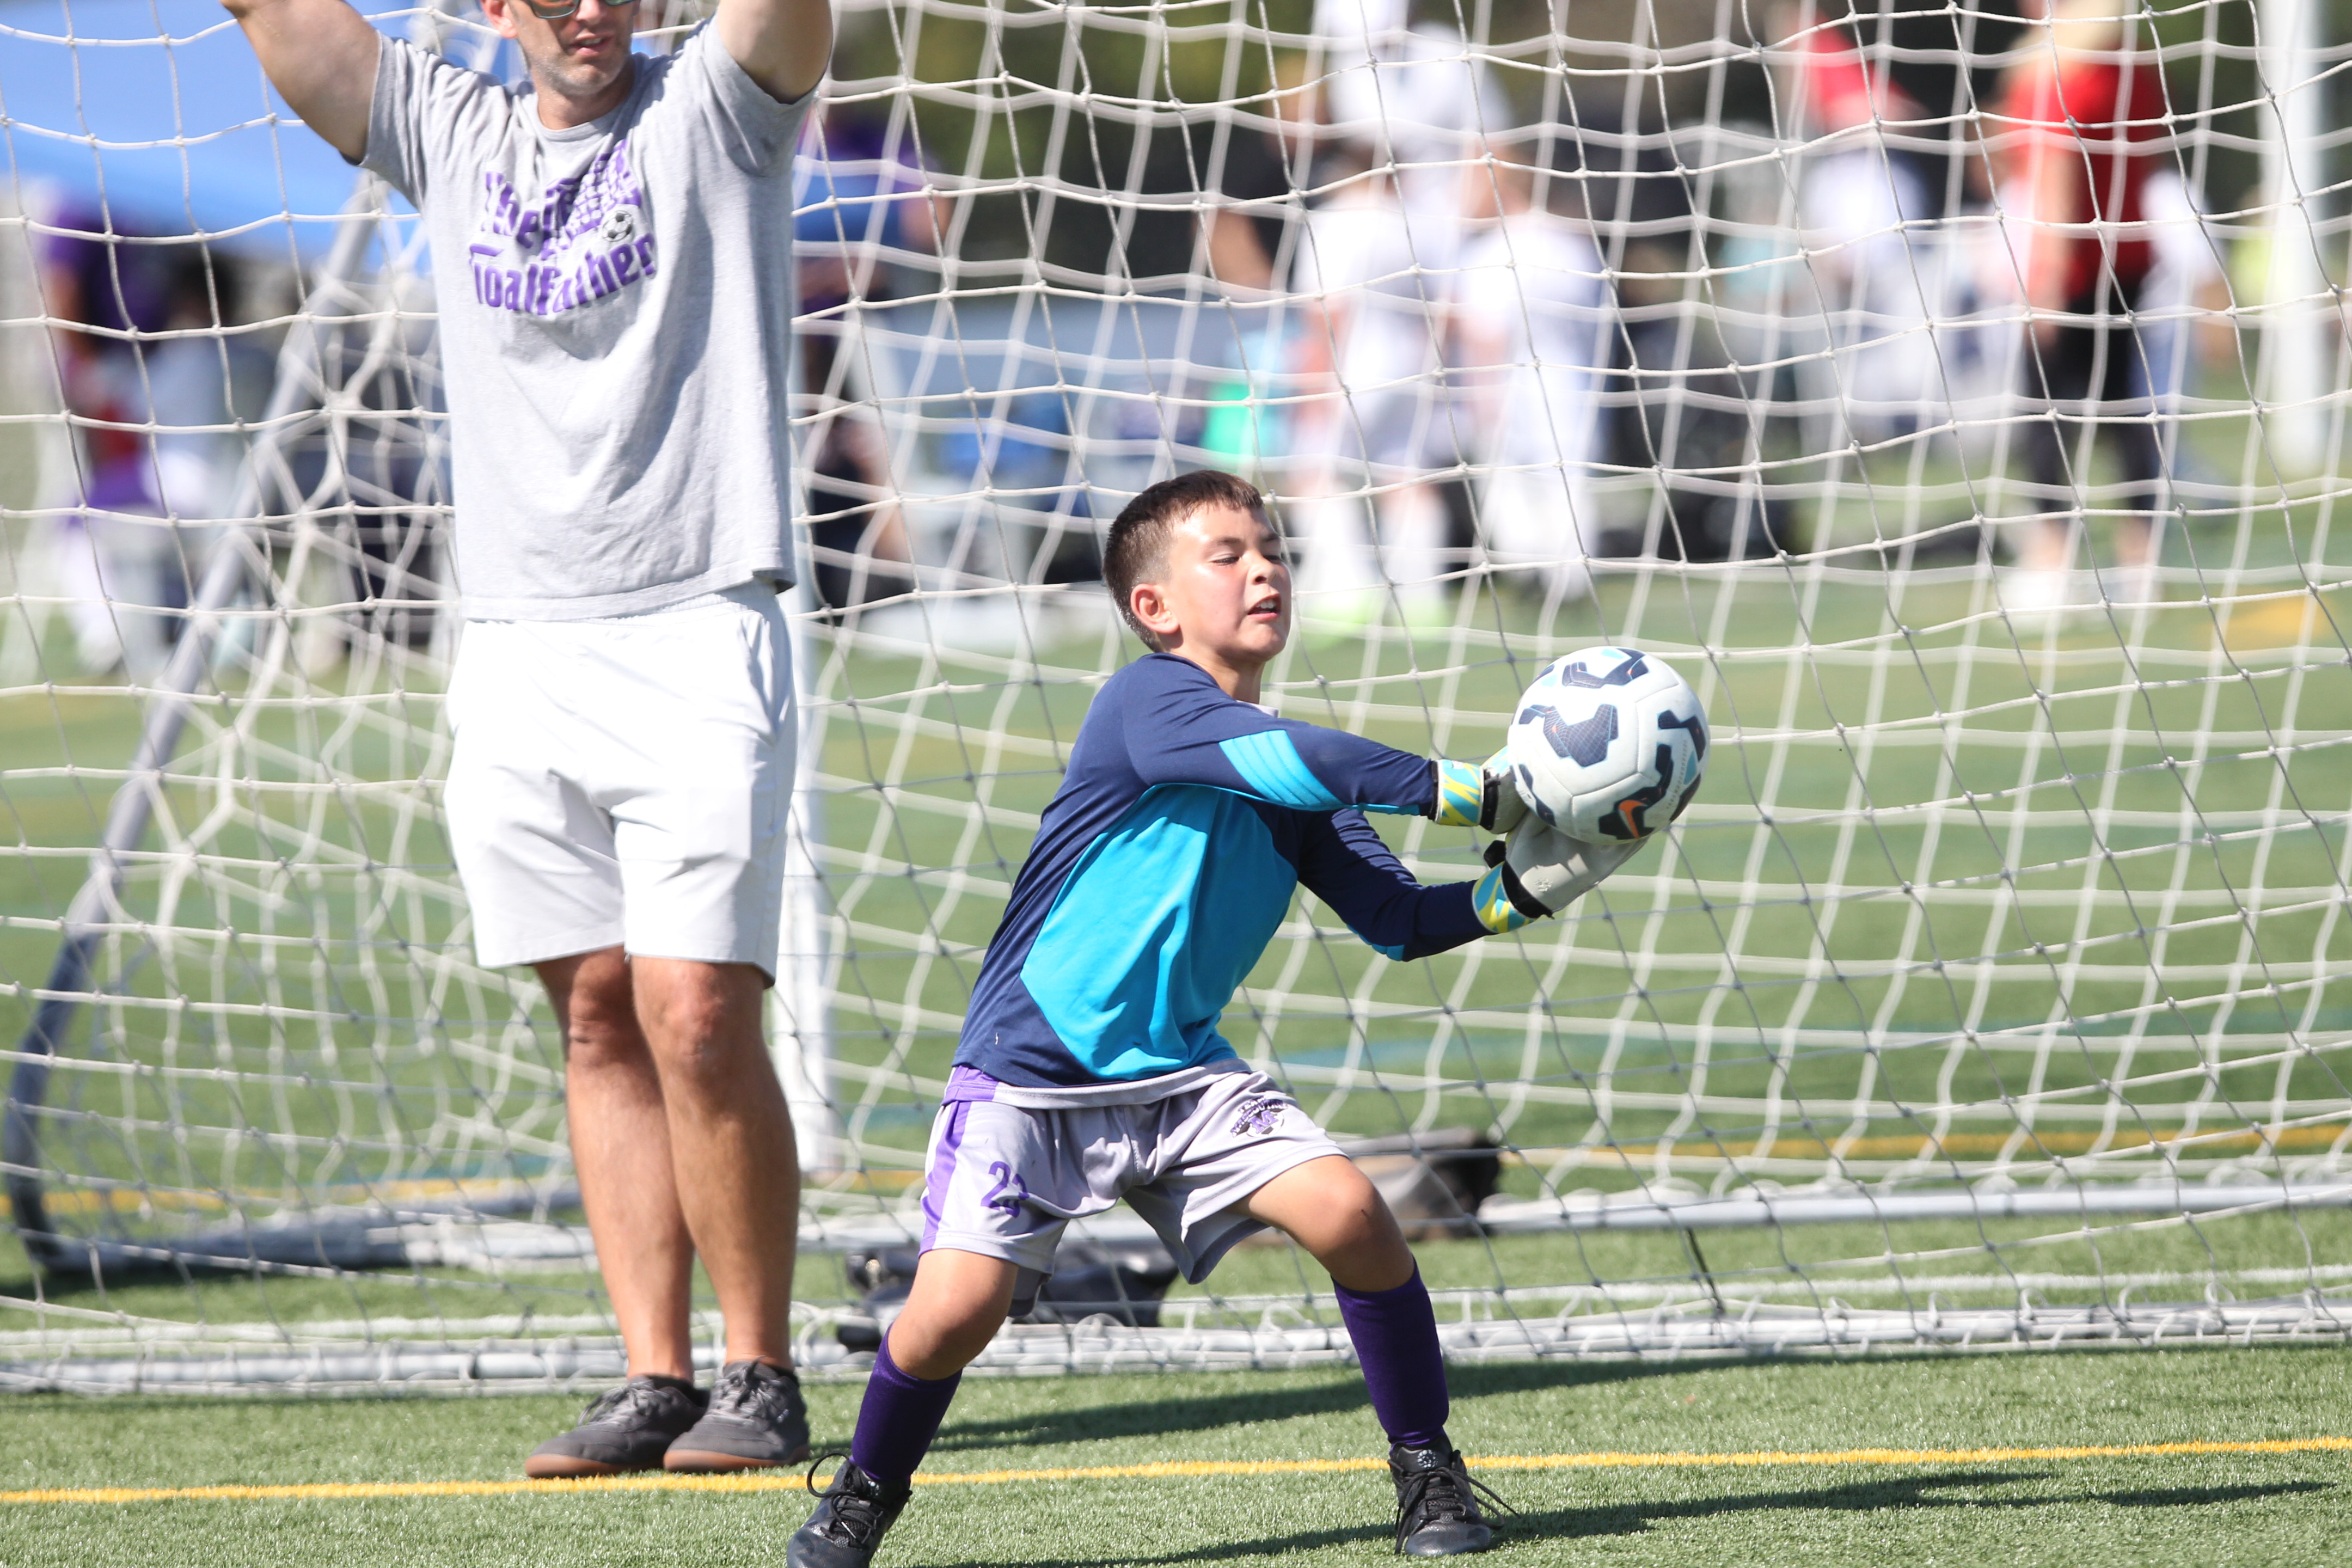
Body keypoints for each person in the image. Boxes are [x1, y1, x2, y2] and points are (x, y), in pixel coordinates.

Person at [785, 468, 1647, 1566]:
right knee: (956, 1311)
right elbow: (1304, 759)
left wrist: (1531, 887)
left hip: (1182, 1078)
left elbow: (1397, 920)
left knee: (1351, 1214)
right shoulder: (1145, 703)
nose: (1265, 570)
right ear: (1154, 607)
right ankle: (863, 1492)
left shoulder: (1291, 775)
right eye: (1228, 555)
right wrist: (1477, 794)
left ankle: (1428, 1470)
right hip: (1029, 1075)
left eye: (1273, 550)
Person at [220, 0, 833, 1477]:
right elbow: (275, 19)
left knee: (699, 1009)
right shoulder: (450, 129)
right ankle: (654, 1378)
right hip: (512, 642)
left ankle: (760, 1372)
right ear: (497, 7)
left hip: (697, 621)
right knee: (597, 1013)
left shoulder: (713, 110)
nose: (589, 11)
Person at [1993, 0, 2176, 614]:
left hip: (2074, 268)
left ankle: (2051, 561)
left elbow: (2057, 176)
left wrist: (2045, 278)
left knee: (2045, 416)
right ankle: (2140, 562)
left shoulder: (2065, 75)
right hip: (2128, 260)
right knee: (2127, 412)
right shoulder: (2133, 68)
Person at [1455, 142, 1615, 615]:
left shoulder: (1491, 252)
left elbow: (1485, 332)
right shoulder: (1572, 244)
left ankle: (1530, 572)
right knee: (1567, 477)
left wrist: (1482, 399)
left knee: (1510, 480)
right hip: (1573, 381)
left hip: (1510, 386)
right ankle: (1570, 577)